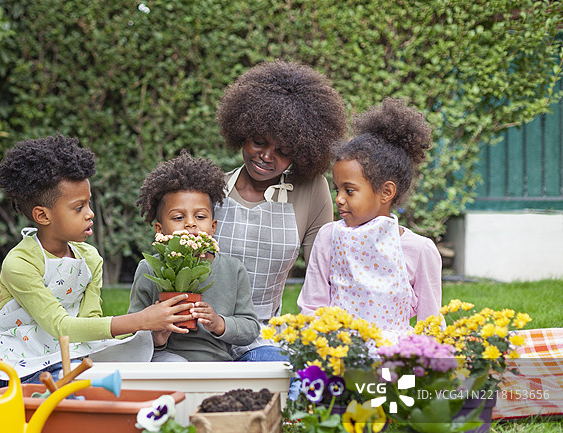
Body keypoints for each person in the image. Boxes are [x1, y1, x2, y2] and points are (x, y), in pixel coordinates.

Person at [0, 135, 194, 411]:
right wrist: (138, 319)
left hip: (63, 362)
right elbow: (60, 326)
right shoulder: (21, 262)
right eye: (79, 207)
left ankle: (9, 406)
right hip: (11, 360)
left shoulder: (90, 258)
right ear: (43, 215)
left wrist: (147, 328)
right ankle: (8, 405)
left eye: (88, 203)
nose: (90, 213)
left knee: (88, 382)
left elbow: (90, 324)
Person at [214, 60, 348, 359]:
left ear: (301, 152)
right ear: (241, 132)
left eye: (283, 151)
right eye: (259, 142)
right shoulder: (212, 189)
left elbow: (324, 275)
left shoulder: (311, 190)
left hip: (262, 335)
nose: (265, 156)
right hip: (203, 332)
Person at [297, 98, 441, 336]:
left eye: (349, 190)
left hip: (394, 363)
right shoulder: (329, 236)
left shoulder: (420, 250)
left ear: (386, 192)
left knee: (392, 377)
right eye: (337, 189)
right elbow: (312, 307)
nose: (339, 199)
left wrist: (418, 370)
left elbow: (430, 324)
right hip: (338, 357)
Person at [128, 151, 260, 361]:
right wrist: (155, 334)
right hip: (165, 359)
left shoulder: (233, 270)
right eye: (179, 217)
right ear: (159, 229)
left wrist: (219, 323)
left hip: (217, 362)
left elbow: (250, 327)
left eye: (200, 216)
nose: (191, 223)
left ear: (213, 227)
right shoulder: (149, 268)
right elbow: (130, 329)